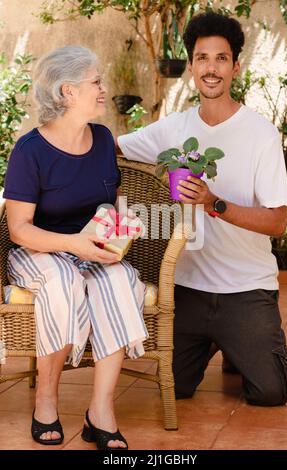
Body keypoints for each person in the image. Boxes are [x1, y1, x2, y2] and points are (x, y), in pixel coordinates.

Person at [117, 12, 287, 406]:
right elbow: (114, 147)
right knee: (173, 388)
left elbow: (278, 221)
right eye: (202, 58)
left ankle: (248, 348)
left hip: (246, 289)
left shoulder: (261, 134)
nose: (211, 68)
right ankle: (230, 346)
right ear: (191, 66)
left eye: (220, 58)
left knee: (269, 392)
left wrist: (213, 203)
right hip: (190, 290)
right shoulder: (172, 129)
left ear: (235, 66)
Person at [3, 45, 148, 449]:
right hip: (40, 250)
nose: (104, 89)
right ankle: (45, 400)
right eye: (96, 82)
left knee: (119, 280)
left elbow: (112, 203)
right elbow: (19, 230)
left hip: (92, 248)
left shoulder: (102, 139)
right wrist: (74, 245)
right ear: (67, 91)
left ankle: (100, 412)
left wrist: (123, 226)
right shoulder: (30, 151)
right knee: (62, 278)